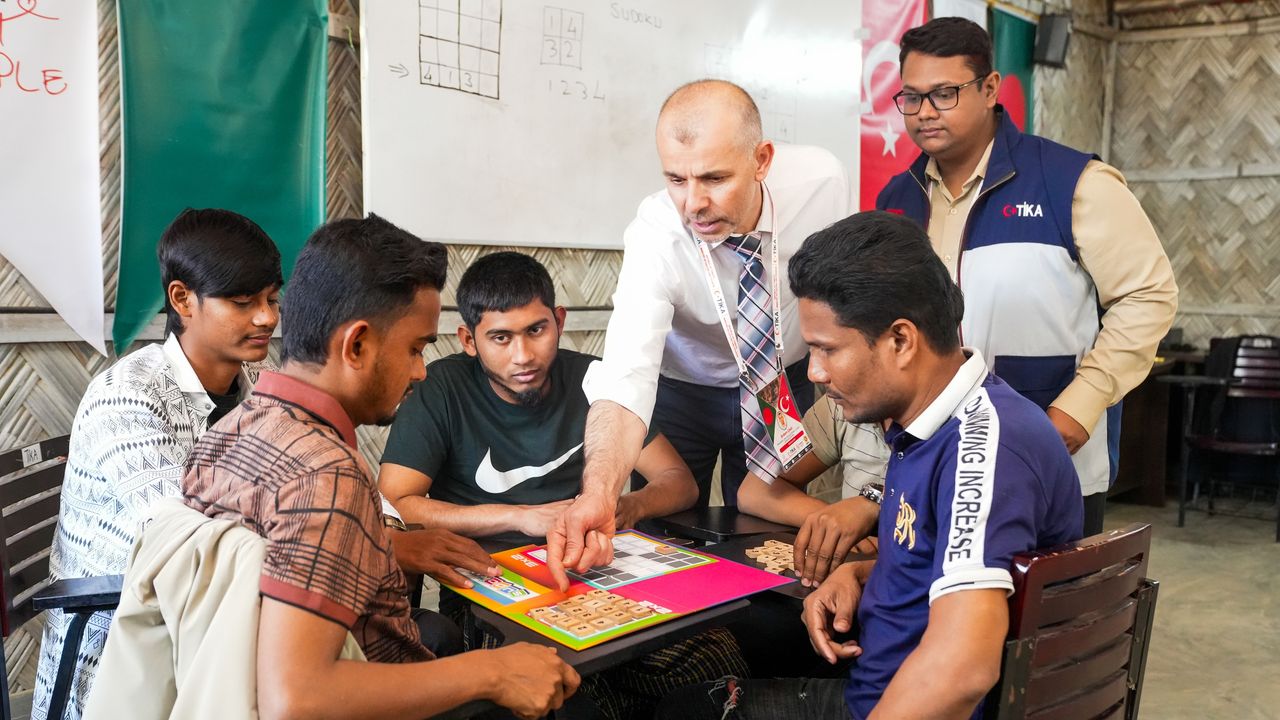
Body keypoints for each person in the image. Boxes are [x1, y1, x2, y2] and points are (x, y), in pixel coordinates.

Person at [657, 211, 1084, 719]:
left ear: (901, 341)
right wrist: (863, 573)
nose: (815, 373)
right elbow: (942, 562)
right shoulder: (923, 423)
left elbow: (963, 669)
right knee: (683, 700)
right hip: (871, 685)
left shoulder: (983, 448)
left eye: (827, 350)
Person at [180, 215, 578, 720]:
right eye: (415, 349)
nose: (420, 371)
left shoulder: (232, 429)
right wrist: (492, 672)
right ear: (357, 345)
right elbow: (297, 698)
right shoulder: (325, 475)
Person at [380, 251, 743, 720]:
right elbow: (397, 502)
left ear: (560, 321)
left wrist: (622, 506)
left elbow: (679, 483)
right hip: (492, 583)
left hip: (599, 571)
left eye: (537, 330)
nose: (523, 356)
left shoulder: (594, 379)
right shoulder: (441, 389)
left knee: (715, 655)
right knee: (565, 689)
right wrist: (522, 517)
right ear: (469, 340)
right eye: (500, 338)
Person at [876, 17, 1178, 534]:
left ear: (990, 88)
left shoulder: (1072, 182)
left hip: (1048, 461)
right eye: (912, 97)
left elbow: (1148, 296)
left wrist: (1079, 408)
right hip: (926, 464)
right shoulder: (896, 200)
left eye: (944, 94)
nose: (925, 112)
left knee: (1045, 590)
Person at [552, 79, 852, 587]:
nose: (693, 203)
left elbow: (842, 289)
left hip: (780, 382)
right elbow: (625, 376)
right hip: (684, 393)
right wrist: (598, 493)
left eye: (714, 178)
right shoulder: (657, 233)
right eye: (676, 179)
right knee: (660, 537)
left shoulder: (822, 183)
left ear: (761, 160)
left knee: (767, 539)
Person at [33, 208, 282, 720]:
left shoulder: (257, 383)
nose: (266, 318)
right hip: (121, 647)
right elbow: (188, 539)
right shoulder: (130, 397)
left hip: (211, 616)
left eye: (272, 299)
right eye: (243, 302)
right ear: (182, 299)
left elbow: (313, 467)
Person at [735, 397, 889, 587]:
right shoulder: (838, 402)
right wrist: (835, 522)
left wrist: (875, 505)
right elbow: (754, 491)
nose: (817, 380)